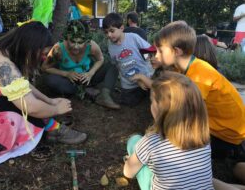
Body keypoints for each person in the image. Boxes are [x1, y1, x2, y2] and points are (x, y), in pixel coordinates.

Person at [0, 21, 87, 167]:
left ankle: (51, 127)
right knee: (19, 102)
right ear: (31, 48)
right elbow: (29, 106)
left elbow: (21, 83)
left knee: (15, 94)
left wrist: (49, 101)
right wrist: (56, 109)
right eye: (43, 53)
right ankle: (54, 129)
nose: (44, 59)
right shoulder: (2, 64)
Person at [153, 21, 245, 184]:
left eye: (160, 51)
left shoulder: (199, 76)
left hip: (229, 135)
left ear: (176, 51)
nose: (156, 56)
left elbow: (182, 115)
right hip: (223, 125)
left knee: (179, 139)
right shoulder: (189, 67)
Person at [123, 71, 213, 190]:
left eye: (152, 101)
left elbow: (127, 173)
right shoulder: (204, 138)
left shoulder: (151, 142)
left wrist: (130, 162)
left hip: (148, 158)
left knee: (134, 140)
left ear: (160, 110)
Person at [41, 20, 120, 109]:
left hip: (87, 77)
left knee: (113, 66)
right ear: (67, 38)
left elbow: (100, 59)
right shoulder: (59, 48)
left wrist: (90, 73)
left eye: (80, 42)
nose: (76, 46)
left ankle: (104, 95)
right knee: (50, 80)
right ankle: (82, 91)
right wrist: (66, 74)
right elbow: (45, 67)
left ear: (86, 40)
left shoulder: (91, 45)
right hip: (69, 81)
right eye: (72, 41)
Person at [102, 12, 153, 107]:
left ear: (121, 28)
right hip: (130, 82)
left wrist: (148, 66)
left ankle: (147, 90)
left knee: (154, 92)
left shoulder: (133, 37)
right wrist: (136, 80)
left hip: (146, 76)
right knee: (128, 101)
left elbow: (148, 51)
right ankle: (142, 92)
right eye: (106, 32)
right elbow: (119, 65)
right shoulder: (110, 46)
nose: (108, 35)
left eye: (112, 31)